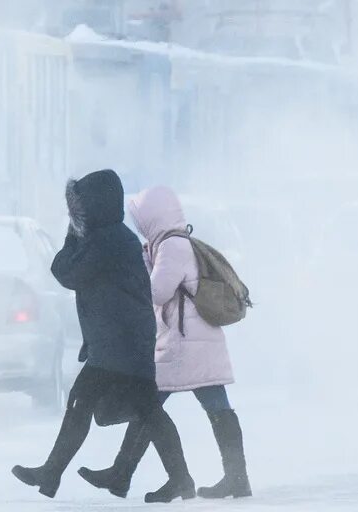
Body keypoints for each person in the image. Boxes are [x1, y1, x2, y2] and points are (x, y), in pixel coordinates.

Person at [12, 170, 195, 502]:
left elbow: (66, 272)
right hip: (122, 342)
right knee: (145, 412)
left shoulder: (108, 241)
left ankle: (52, 473)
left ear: (96, 205)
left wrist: (72, 235)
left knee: (96, 405)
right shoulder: (113, 237)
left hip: (121, 345)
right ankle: (176, 479)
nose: (77, 214)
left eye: (80, 208)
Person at [79, 185, 252, 500]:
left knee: (150, 405)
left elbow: (157, 293)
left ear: (153, 216)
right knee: (211, 406)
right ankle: (233, 478)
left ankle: (129, 473)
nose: (138, 224)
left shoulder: (172, 247)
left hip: (183, 346)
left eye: (141, 217)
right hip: (194, 343)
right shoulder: (169, 244)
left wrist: (137, 273)